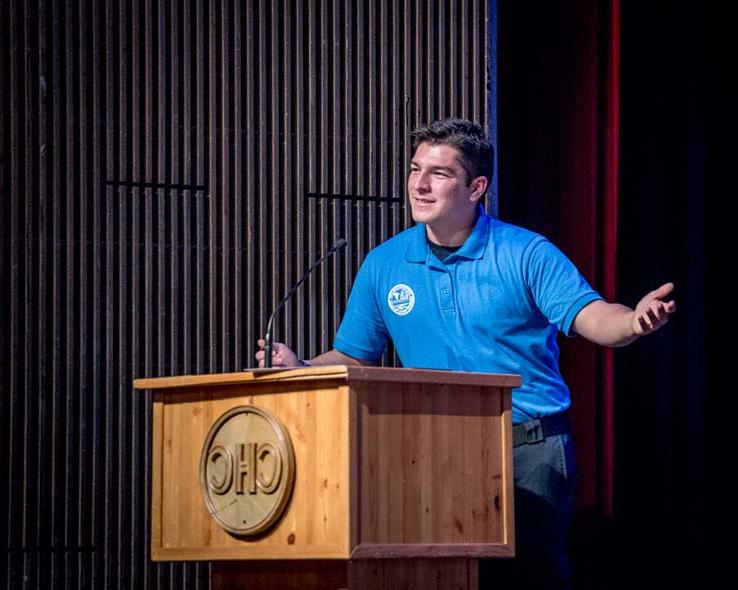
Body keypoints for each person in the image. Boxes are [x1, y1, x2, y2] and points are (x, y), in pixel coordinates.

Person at [256, 118, 676, 589]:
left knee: (530, 579)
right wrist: (303, 368)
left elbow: (594, 316)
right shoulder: (385, 262)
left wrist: (633, 322)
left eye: (439, 173)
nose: (418, 184)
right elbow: (356, 356)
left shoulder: (525, 253)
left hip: (527, 448)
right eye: (415, 169)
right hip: (431, 452)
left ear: (476, 186)